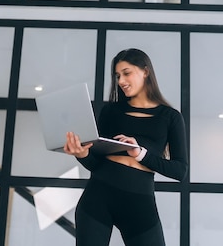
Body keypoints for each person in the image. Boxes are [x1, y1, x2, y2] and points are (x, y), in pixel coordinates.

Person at [63, 48, 188, 246]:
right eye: (117, 75)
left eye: (126, 73)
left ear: (145, 71)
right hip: (98, 196)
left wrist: (140, 154)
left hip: (139, 203)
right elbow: (96, 164)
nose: (120, 81)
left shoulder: (170, 117)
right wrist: (83, 154)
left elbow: (180, 171)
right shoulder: (110, 111)